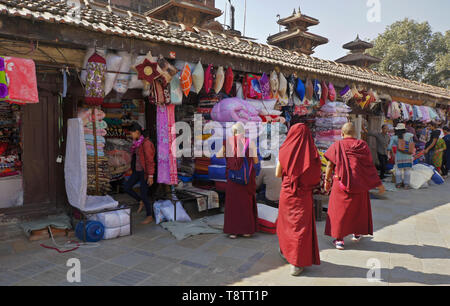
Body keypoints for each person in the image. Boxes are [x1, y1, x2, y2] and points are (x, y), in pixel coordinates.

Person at [324, 123, 385, 250]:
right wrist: (378, 183)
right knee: (358, 209)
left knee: (339, 211)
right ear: (355, 134)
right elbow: (369, 165)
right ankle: (356, 233)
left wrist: (327, 180)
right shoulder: (362, 145)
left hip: (341, 183)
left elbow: (330, 165)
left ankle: (339, 240)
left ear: (342, 133)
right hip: (360, 183)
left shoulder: (337, 145)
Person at [275, 123, 322, 276]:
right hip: (303, 196)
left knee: (287, 225)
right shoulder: (313, 154)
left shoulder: (284, 150)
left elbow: (277, 173)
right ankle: (296, 263)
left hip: (287, 193)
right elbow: (316, 178)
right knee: (300, 228)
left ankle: (286, 252)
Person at [218, 123, 260, 239]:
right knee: (245, 203)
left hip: (233, 178)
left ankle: (233, 232)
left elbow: (218, 156)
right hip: (246, 178)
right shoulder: (249, 142)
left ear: (233, 132)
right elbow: (256, 161)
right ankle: (246, 231)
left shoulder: (228, 142)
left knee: (233, 204)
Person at [124, 122, 156, 225]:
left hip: (145, 172)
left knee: (144, 193)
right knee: (127, 187)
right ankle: (140, 201)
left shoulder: (146, 143)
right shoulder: (136, 143)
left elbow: (150, 160)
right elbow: (135, 158)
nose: (131, 135)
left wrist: (151, 175)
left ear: (137, 132)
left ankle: (149, 215)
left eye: (131, 133)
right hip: (137, 171)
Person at [388, 123, 415, 189]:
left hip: (399, 156)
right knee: (407, 170)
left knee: (398, 170)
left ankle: (398, 184)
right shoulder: (410, 135)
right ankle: (406, 184)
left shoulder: (394, 137)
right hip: (408, 155)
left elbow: (389, 147)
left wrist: (388, 154)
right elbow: (412, 144)